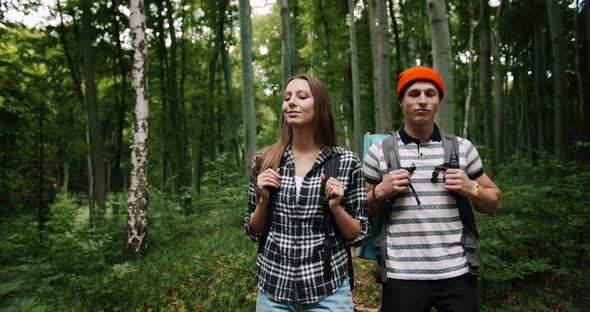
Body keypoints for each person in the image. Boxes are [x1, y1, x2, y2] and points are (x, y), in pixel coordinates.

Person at [363, 66, 501, 311]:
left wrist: (471, 188)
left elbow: (493, 201)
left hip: (458, 272)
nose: (422, 101)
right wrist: (380, 192)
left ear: (439, 101)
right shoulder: (379, 152)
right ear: (401, 101)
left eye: (430, 94)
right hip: (401, 275)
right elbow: (358, 208)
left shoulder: (462, 148)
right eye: (414, 94)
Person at [243, 74, 369, 311]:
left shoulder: (346, 162)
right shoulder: (264, 161)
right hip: (273, 289)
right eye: (287, 97)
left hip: (328, 291)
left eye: (302, 96)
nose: (291, 102)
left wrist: (336, 207)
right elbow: (252, 231)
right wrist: (263, 202)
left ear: (319, 106)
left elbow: (359, 235)